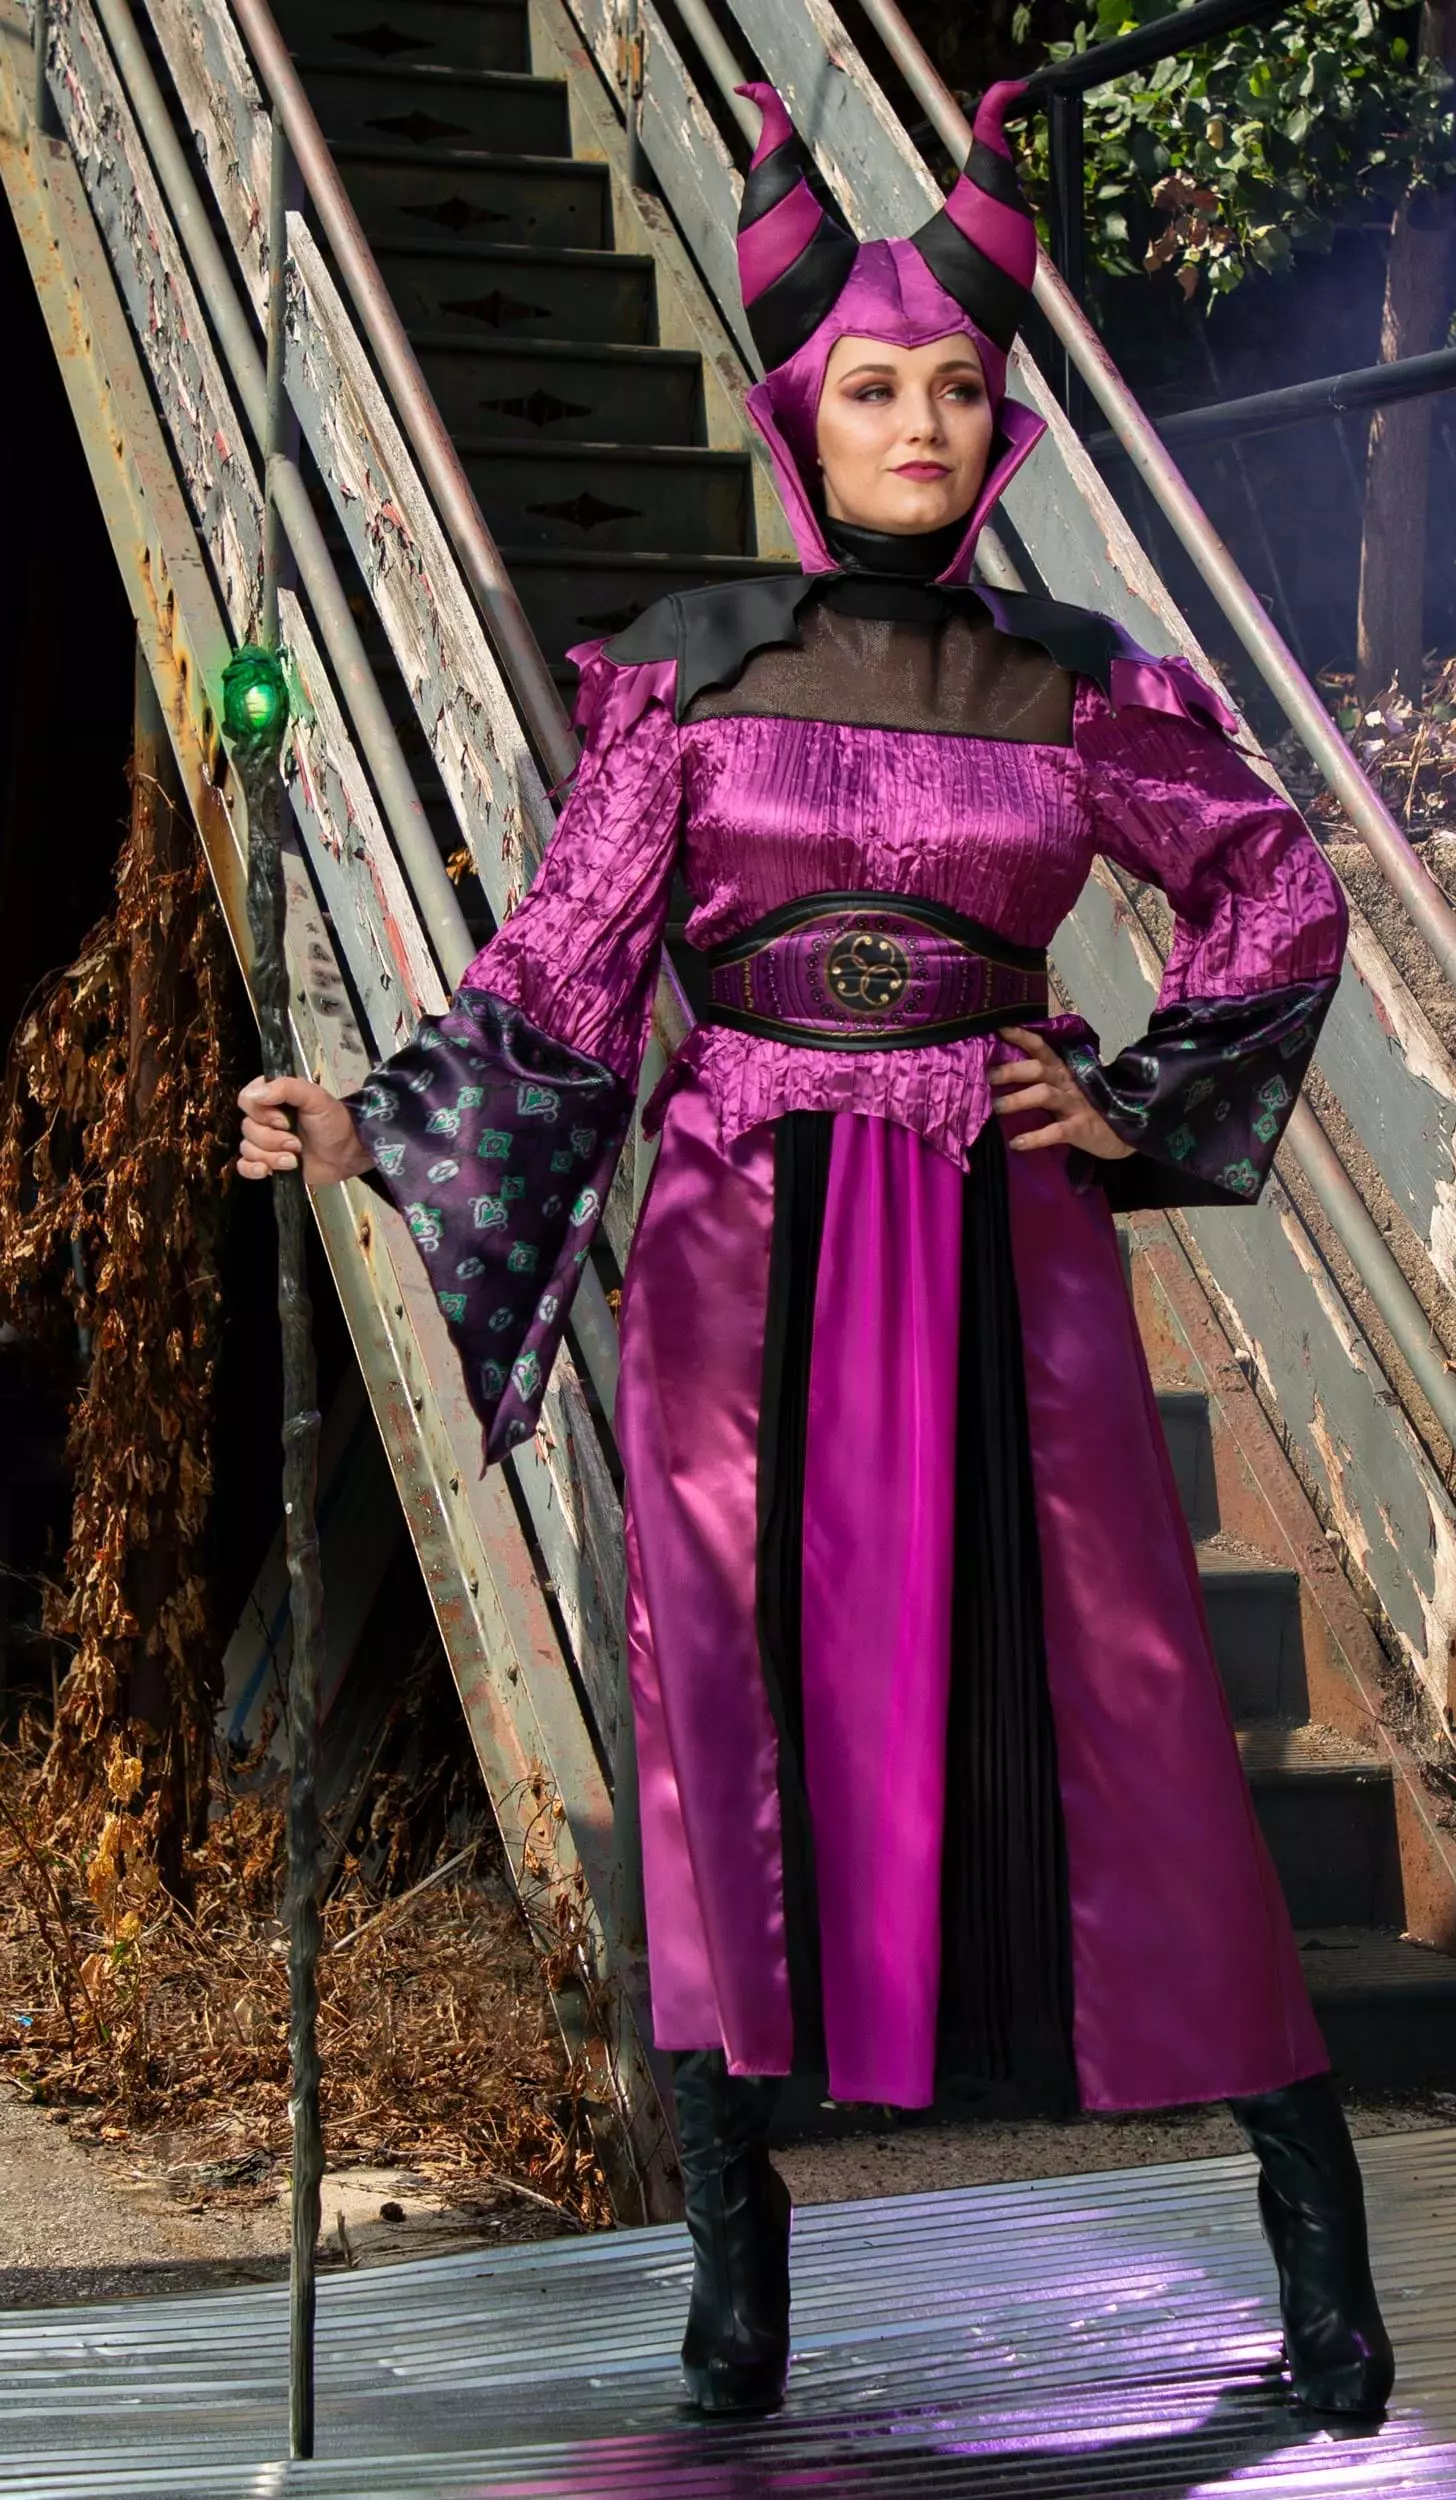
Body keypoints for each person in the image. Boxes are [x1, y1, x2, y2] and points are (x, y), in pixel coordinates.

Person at [238, 79, 1392, 2425]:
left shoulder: (1073, 683)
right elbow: (567, 963)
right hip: (733, 1254)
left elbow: (1273, 886)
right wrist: (366, 1121)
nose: (918, 420)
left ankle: (1315, 2242)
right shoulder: (685, 673)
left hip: (1005, 1248)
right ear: (797, 415)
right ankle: (736, 2264)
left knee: (1127, 1709)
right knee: (720, 1732)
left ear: (996, 424)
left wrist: (1135, 1093)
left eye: (954, 385)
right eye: (872, 385)